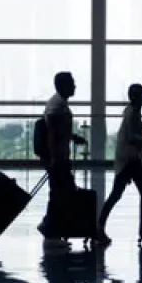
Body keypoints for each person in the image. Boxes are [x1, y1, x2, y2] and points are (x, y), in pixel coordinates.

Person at [96, 84, 142, 246]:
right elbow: (134, 138)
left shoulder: (131, 112)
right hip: (130, 162)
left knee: (123, 194)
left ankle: (100, 227)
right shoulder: (132, 114)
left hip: (129, 161)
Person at [38, 72, 86, 248]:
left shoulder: (58, 103)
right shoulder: (57, 106)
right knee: (60, 191)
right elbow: (51, 133)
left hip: (59, 156)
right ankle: (50, 226)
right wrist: (54, 158)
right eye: (72, 83)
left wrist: (72, 137)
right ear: (62, 85)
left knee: (61, 190)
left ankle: (52, 225)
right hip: (57, 157)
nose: (74, 86)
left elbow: (58, 131)